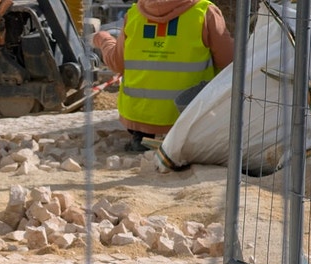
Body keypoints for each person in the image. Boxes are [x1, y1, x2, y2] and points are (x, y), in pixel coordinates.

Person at [92, 0, 234, 152]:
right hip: (189, 113)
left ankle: (140, 140)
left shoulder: (134, 15)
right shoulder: (204, 12)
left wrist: (103, 39)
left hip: (138, 117)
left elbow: (116, 63)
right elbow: (230, 61)